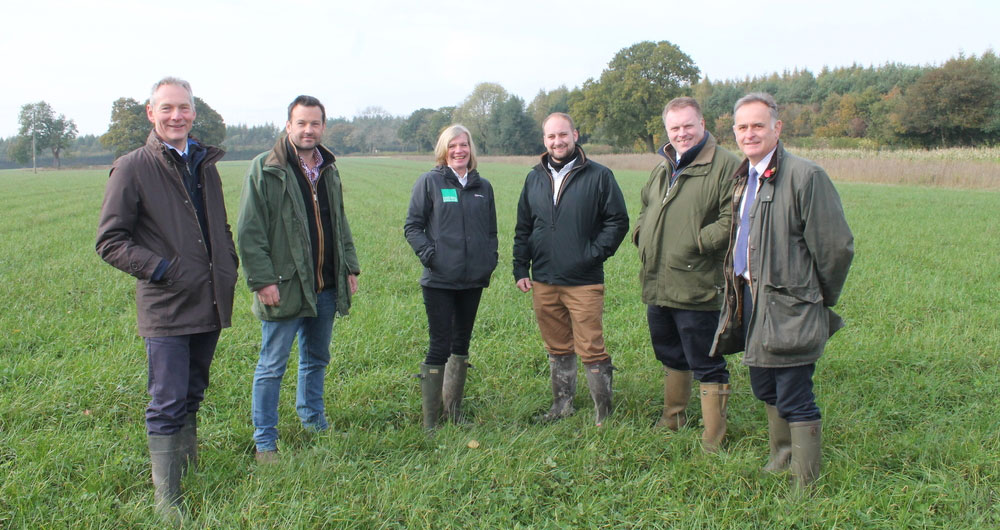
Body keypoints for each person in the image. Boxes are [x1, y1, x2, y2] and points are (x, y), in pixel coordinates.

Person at [96, 77, 239, 522]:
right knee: (167, 400)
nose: (177, 116)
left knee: (194, 392)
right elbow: (110, 240)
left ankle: (188, 467)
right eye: (167, 108)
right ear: (151, 113)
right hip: (167, 305)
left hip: (210, 299)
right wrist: (163, 270)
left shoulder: (204, 164)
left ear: (194, 114)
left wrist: (228, 265)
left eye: (184, 108)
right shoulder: (133, 167)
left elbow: (219, 226)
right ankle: (167, 499)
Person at [710, 93, 854, 489]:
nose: (749, 133)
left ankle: (804, 484)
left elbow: (835, 247)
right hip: (751, 300)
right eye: (742, 127)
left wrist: (813, 297)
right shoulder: (746, 175)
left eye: (758, 125)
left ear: (777, 128)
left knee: (793, 392)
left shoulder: (806, 176)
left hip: (791, 304)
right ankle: (782, 456)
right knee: (766, 385)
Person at [237, 95, 361, 462]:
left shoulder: (328, 168)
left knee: (316, 358)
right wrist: (262, 281)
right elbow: (249, 230)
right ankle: (265, 441)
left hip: (324, 284)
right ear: (288, 125)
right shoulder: (266, 168)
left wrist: (349, 267)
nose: (309, 130)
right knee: (272, 365)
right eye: (301, 123)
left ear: (323, 127)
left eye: (315, 123)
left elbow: (339, 222)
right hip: (283, 284)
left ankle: (313, 420)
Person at [633, 97, 740, 452]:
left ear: (702, 124)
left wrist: (697, 243)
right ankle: (672, 419)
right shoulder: (664, 165)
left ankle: (713, 438)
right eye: (674, 128)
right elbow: (647, 205)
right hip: (659, 281)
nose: (682, 133)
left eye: (687, 126)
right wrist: (641, 234)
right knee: (670, 354)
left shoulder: (726, 165)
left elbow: (735, 218)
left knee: (706, 360)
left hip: (696, 282)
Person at [513, 112, 629, 426]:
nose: (557, 141)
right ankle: (561, 405)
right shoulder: (534, 177)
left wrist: (592, 254)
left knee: (591, 346)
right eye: (551, 136)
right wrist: (520, 267)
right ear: (544, 140)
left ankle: (603, 413)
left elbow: (618, 222)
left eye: (563, 135)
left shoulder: (599, 175)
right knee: (557, 346)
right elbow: (524, 226)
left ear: (575, 135)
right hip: (544, 279)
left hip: (583, 281)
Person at [404, 124, 498, 429]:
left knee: (461, 345)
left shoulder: (483, 188)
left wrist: (489, 260)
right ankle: (432, 421)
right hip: (440, 280)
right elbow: (413, 227)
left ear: (471, 150)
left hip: (472, 281)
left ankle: (453, 411)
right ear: (444, 150)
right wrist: (432, 257)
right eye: (453, 145)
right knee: (439, 346)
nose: (459, 151)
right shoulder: (430, 182)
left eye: (464, 145)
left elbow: (491, 231)